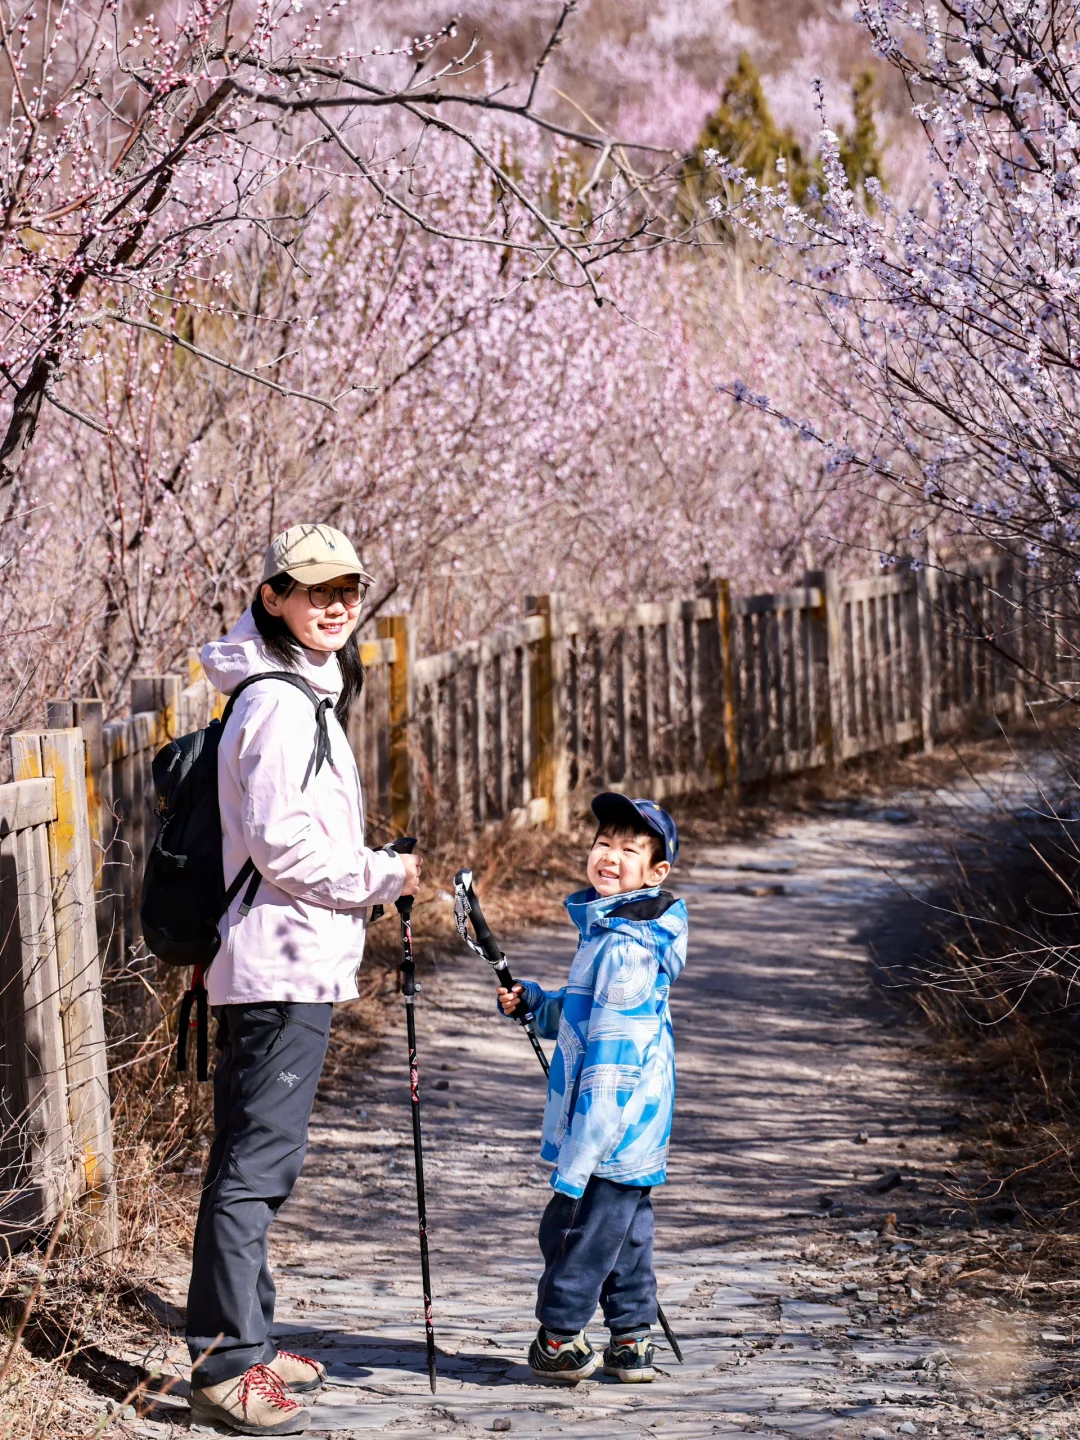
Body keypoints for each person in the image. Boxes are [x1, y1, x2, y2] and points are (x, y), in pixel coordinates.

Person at [185, 524, 422, 1437]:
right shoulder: (282, 706)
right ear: (274, 596)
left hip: (283, 959)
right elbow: (285, 847)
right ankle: (226, 1364)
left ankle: (248, 1336)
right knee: (257, 1166)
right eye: (314, 590)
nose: (334, 606)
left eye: (348, 590)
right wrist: (379, 876)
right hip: (280, 962)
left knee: (252, 1156)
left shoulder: (294, 693)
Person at [497, 792, 688, 1385]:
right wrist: (538, 1004)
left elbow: (614, 1058)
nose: (610, 855)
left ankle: (558, 1337)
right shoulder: (611, 930)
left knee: (572, 1230)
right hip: (634, 1126)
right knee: (626, 1233)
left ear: (656, 872)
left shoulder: (627, 948)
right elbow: (587, 1017)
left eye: (629, 849)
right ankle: (630, 1341)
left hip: (610, 1121)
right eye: (603, 843)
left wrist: (581, 1153)